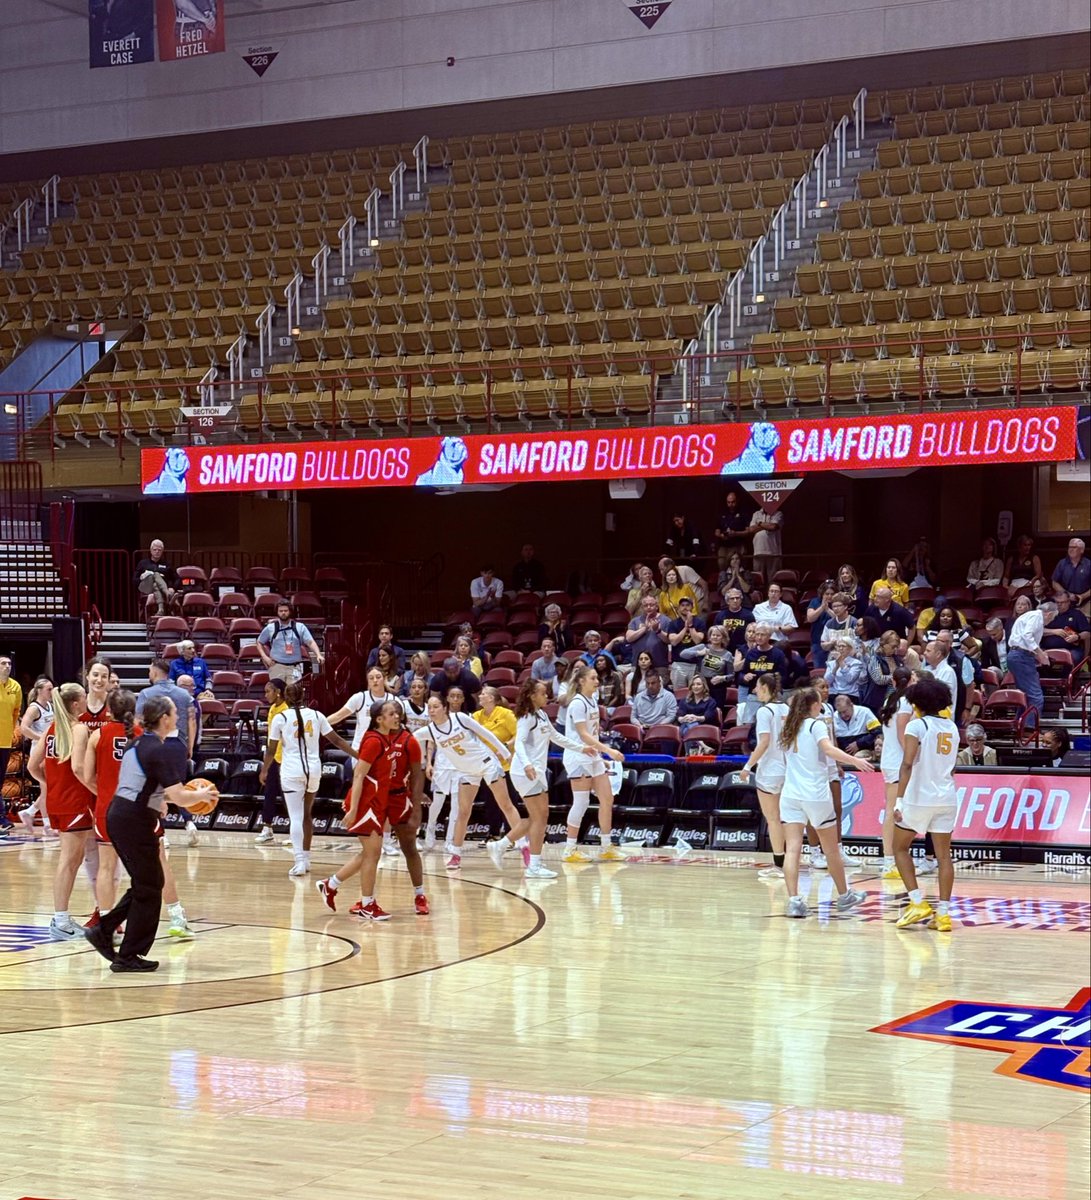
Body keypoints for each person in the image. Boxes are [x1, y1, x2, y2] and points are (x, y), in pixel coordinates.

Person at [84, 696, 217, 972]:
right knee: (149, 887)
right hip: (132, 820)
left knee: (149, 882)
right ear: (165, 718)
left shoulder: (138, 743)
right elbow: (180, 795)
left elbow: (142, 783)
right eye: (174, 713)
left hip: (123, 814)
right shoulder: (158, 749)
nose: (178, 718)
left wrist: (159, 804)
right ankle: (127, 955)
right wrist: (202, 794)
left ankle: (104, 929)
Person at [316, 700, 429, 920]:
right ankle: (367, 904)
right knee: (373, 853)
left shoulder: (390, 739)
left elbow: (410, 774)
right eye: (391, 714)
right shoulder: (375, 741)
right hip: (366, 803)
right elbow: (358, 775)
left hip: (379, 800)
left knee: (370, 853)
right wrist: (353, 808)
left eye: (397, 713)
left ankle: (331, 885)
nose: (396, 716)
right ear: (379, 719)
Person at [777, 687, 875, 918]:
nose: (822, 706)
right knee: (831, 849)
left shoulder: (788, 727)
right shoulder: (816, 724)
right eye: (820, 702)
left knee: (792, 849)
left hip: (790, 795)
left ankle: (793, 901)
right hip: (815, 794)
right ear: (813, 705)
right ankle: (844, 895)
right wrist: (854, 761)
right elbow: (828, 749)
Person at [489, 679, 590, 879]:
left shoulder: (542, 715)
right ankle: (533, 865)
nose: (547, 696)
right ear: (532, 695)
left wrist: (582, 748)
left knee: (539, 817)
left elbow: (557, 738)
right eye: (543, 693)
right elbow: (519, 743)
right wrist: (527, 764)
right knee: (539, 818)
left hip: (536, 772)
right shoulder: (526, 717)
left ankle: (501, 846)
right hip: (525, 771)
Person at [262, 682, 356, 878]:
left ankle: (299, 862)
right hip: (313, 770)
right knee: (306, 814)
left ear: (286, 698)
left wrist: (264, 769)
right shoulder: (317, 715)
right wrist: (358, 755)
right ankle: (306, 857)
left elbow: (271, 749)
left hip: (291, 770)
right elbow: (337, 740)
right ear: (304, 696)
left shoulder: (280, 717)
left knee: (295, 817)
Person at [413, 693, 512, 870]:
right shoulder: (429, 730)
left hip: (487, 763)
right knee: (463, 812)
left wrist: (504, 752)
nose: (432, 710)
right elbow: (407, 740)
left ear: (445, 708)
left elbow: (486, 734)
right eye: (429, 707)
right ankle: (456, 855)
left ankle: (525, 849)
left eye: (436, 706)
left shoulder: (460, 718)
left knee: (505, 805)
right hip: (467, 771)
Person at [892, 677, 960, 931]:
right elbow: (952, 766)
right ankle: (943, 915)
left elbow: (907, 764)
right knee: (944, 857)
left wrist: (898, 800)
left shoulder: (916, 727)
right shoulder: (951, 727)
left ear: (917, 703)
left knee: (899, 848)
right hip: (947, 797)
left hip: (919, 797)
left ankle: (917, 902)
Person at [26, 683, 93, 939]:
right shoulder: (78, 729)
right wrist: (97, 789)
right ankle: (60, 920)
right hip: (75, 801)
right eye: (84, 697)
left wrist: (49, 782)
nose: (86, 701)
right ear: (75, 703)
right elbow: (77, 768)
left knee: (72, 860)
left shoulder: (52, 728)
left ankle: (62, 918)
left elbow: (33, 765)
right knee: (68, 861)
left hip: (56, 800)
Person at [559, 664, 625, 863]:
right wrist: (609, 751)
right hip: (578, 756)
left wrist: (599, 757)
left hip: (592, 755)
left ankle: (606, 846)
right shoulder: (577, 703)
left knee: (607, 799)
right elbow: (583, 735)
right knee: (581, 802)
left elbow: (593, 733)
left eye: (597, 678)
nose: (597, 681)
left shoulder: (593, 700)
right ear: (581, 681)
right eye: (593, 678)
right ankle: (569, 849)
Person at [739, 673, 790, 881]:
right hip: (787, 769)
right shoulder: (786, 708)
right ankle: (791, 860)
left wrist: (748, 766)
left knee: (773, 820)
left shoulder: (764, 712)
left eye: (757, 687)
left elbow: (764, 742)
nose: (754, 691)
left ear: (765, 688)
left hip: (769, 770)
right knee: (787, 819)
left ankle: (779, 866)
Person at [878, 667, 915, 880]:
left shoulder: (890, 700)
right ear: (910, 681)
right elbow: (903, 736)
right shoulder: (906, 702)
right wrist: (911, 760)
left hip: (890, 760)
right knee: (894, 811)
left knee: (897, 811)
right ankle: (889, 861)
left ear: (893, 681)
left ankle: (893, 858)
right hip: (898, 762)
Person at [17, 676, 55, 837]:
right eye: (49, 689)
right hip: (38, 751)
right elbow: (23, 728)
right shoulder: (34, 708)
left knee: (48, 787)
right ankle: (46, 823)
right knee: (46, 787)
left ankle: (30, 812)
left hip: (50, 749)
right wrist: (41, 738)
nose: (52, 691)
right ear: (39, 691)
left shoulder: (51, 706)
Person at [253, 677, 288, 845]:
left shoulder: (287, 710)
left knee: (288, 797)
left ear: (278, 692)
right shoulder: (273, 709)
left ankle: (294, 831)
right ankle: (267, 828)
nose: (265, 695)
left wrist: (264, 768)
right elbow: (270, 740)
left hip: (287, 760)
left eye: (268, 691)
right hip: (274, 758)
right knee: (269, 794)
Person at [1007, 594, 1049, 727]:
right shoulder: (1037, 616)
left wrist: (1036, 653)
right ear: (1048, 614)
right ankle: (1029, 729)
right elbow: (1027, 636)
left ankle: (1019, 725)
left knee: (1025, 695)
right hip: (1021, 656)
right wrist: (1040, 653)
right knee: (1036, 697)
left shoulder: (1026, 617)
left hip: (1015, 655)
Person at [257, 600, 324, 684]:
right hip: (276, 666)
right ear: (277, 612)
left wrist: (318, 654)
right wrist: (265, 657)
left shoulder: (300, 627)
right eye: (281, 611)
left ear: (290, 612)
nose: (283, 613)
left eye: (285, 611)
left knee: (293, 694)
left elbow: (310, 642)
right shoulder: (271, 628)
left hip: (294, 667)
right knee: (278, 695)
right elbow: (259, 642)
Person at [679, 625, 734, 708]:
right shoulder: (703, 647)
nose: (715, 637)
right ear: (710, 636)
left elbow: (731, 675)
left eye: (718, 635)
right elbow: (683, 654)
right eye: (713, 635)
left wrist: (723, 678)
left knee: (716, 711)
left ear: (723, 638)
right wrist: (698, 653)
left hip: (718, 687)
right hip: (702, 684)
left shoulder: (727, 654)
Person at [0, 654, 23, 831]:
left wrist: (10, 732)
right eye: (2, 663)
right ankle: (2, 818)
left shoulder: (16, 687)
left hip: (5, 741)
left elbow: (15, 713)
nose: (7, 666)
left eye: (9, 663)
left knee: (1, 781)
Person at [666, 595, 706, 687]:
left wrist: (691, 625)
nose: (685, 607)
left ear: (692, 607)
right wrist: (685, 628)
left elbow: (697, 641)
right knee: (679, 695)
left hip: (695, 664)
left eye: (687, 605)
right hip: (678, 664)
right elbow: (673, 641)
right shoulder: (673, 623)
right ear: (679, 608)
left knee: (694, 693)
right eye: (682, 605)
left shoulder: (700, 622)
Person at [133, 539, 179, 617]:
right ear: (151, 550)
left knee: (155, 585)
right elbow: (134, 580)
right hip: (145, 588)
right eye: (155, 550)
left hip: (158, 588)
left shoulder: (167, 565)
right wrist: (141, 578)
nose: (157, 552)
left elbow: (177, 579)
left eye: (159, 550)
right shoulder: (143, 563)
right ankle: (168, 594)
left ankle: (161, 610)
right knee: (156, 574)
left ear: (162, 551)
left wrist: (173, 588)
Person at [1043, 590, 1091, 659]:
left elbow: (1087, 633)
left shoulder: (1076, 614)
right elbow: (1038, 630)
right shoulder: (1048, 614)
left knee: (1074, 657)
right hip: (1046, 649)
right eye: (1057, 602)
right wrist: (1054, 632)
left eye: (1062, 602)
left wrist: (1077, 636)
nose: (1059, 604)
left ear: (1068, 602)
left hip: (1070, 649)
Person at [626, 594, 670, 669]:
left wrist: (658, 631)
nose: (648, 607)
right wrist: (644, 629)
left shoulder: (666, 620)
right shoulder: (635, 621)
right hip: (638, 666)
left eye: (651, 605)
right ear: (642, 608)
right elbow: (629, 638)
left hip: (659, 665)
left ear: (657, 606)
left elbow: (669, 640)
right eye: (645, 605)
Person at [833, 693, 881, 759]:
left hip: (863, 750)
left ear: (851, 705)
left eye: (845, 712)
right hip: (842, 753)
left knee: (858, 757)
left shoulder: (865, 712)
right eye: (840, 712)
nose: (842, 715)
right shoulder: (834, 717)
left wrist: (858, 744)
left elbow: (877, 732)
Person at [1051, 538, 1090, 611]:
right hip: (1065, 601)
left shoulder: (1089, 565)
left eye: (1074, 547)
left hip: (1086, 601)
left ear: (1081, 550)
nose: (1070, 549)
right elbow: (1054, 582)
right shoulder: (1062, 563)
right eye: (1069, 547)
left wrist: (1082, 596)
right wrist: (1067, 594)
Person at [806, 581, 837, 670]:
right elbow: (810, 618)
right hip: (818, 641)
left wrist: (828, 610)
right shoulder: (815, 602)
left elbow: (840, 619)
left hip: (835, 642)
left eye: (832, 594)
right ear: (822, 594)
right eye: (827, 594)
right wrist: (822, 608)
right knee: (820, 670)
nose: (829, 596)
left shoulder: (838, 603)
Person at [715, 587, 754, 654]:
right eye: (732, 598)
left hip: (743, 649)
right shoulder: (720, 616)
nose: (735, 600)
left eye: (737, 598)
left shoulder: (749, 615)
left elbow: (753, 634)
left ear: (741, 600)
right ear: (727, 601)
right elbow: (715, 633)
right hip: (724, 648)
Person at [747, 508, 783, 581]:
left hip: (773, 552)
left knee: (773, 580)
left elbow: (773, 527)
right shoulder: (756, 513)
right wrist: (766, 525)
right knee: (758, 579)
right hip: (758, 552)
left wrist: (759, 524)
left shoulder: (778, 513)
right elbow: (751, 529)